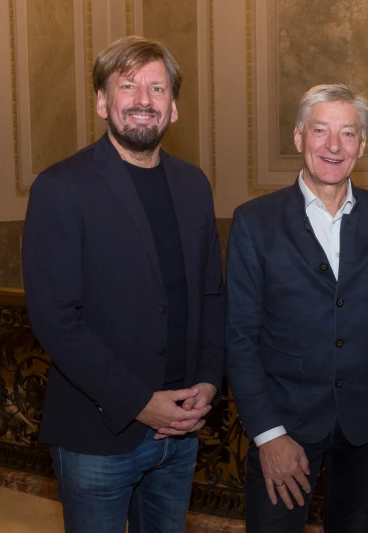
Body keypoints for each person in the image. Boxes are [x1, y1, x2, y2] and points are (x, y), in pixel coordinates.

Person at [21, 36, 224, 533]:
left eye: (157, 88)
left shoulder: (194, 184)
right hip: (97, 437)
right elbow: (56, 318)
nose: (143, 99)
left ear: (173, 107)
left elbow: (211, 295)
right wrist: (139, 403)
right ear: (101, 102)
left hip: (181, 432)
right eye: (128, 86)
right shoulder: (60, 187)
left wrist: (208, 379)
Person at [225, 83, 368, 533]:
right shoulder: (255, 221)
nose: (334, 145)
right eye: (320, 130)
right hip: (285, 425)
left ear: (362, 145)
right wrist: (268, 434)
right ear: (299, 137)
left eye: (347, 133)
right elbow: (240, 337)